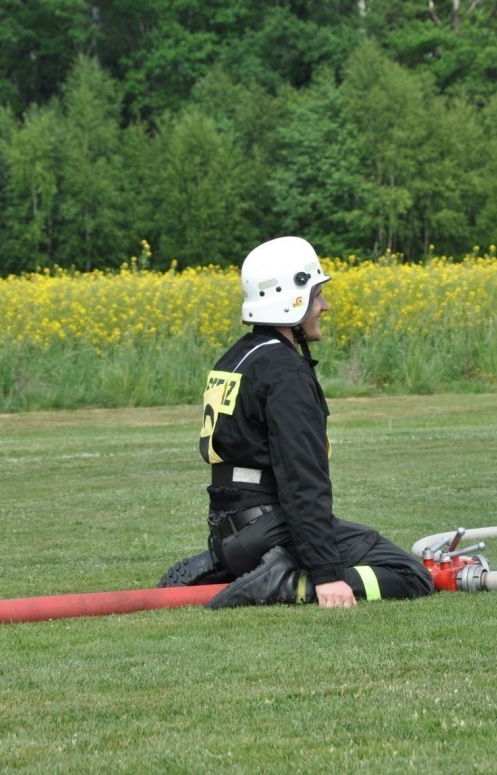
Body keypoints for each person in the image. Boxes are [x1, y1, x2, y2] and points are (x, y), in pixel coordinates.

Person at [158, 236, 433, 609]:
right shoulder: (285, 372)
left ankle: (231, 566)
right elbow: (302, 479)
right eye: (318, 295)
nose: (325, 306)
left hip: (228, 529)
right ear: (292, 299)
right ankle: (280, 580)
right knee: (409, 574)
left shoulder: (237, 357)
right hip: (268, 528)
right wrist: (327, 573)